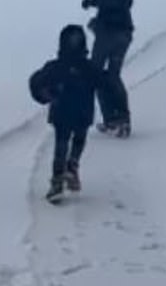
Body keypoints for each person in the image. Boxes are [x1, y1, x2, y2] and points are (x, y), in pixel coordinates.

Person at [29, 24, 110, 202]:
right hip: (77, 111)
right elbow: (104, 83)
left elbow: (37, 81)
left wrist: (44, 93)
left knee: (67, 143)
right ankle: (65, 172)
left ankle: (64, 173)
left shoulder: (59, 67)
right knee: (68, 144)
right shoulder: (85, 67)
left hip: (65, 111)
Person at [82, 0, 134, 137]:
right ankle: (117, 120)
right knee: (110, 75)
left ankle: (117, 119)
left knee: (100, 75)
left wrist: (95, 4)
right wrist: (97, 10)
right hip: (118, 29)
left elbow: (121, 1)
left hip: (112, 31)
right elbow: (113, 0)